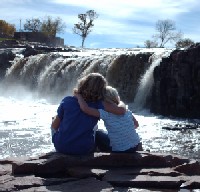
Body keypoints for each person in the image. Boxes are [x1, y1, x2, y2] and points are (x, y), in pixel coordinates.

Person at [51, 73, 126, 155]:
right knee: (98, 132)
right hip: (84, 149)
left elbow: (54, 127)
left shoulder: (67, 101)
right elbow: (121, 110)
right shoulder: (99, 104)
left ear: (83, 84)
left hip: (61, 147)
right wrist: (120, 101)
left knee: (56, 118)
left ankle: (66, 143)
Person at [75, 85, 142, 153]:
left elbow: (86, 109)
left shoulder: (105, 113)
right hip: (134, 146)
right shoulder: (126, 110)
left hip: (119, 150)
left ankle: (98, 152)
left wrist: (78, 96)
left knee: (98, 133)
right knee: (107, 133)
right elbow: (136, 125)